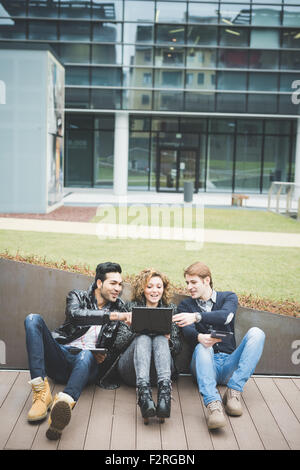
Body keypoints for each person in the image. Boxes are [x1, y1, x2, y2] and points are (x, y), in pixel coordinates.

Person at [24, 262, 130, 440]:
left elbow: (119, 345)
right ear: (99, 283)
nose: (118, 288)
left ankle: (63, 406)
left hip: (88, 366)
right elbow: (75, 315)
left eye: (120, 284)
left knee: (86, 353)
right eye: (113, 283)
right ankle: (41, 394)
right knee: (32, 319)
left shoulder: (121, 307)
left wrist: (105, 355)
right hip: (62, 356)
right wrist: (112, 316)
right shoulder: (77, 296)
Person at [173, 261, 265, 430]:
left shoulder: (228, 297)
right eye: (187, 283)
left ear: (206, 280)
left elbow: (225, 317)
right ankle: (213, 405)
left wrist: (197, 317)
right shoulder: (185, 306)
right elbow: (186, 331)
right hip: (205, 365)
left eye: (193, 282)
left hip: (230, 363)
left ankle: (233, 391)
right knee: (202, 347)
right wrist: (200, 336)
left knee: (257, 333)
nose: (189, 287)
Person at [99, 268, 182, 424]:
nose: (154, 291)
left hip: (160, 372)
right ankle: (143, 394)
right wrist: (133, 328)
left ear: (163, 289)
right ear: (142, 289)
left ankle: (164, 396)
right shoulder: (130, 308)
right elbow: (117, 345)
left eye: (159, 286)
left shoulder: (170, 310)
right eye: (149, 286)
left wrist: (169, 339)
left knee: (160, 338)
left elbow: (177, 348)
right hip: (132, 372)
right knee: (143, 337)